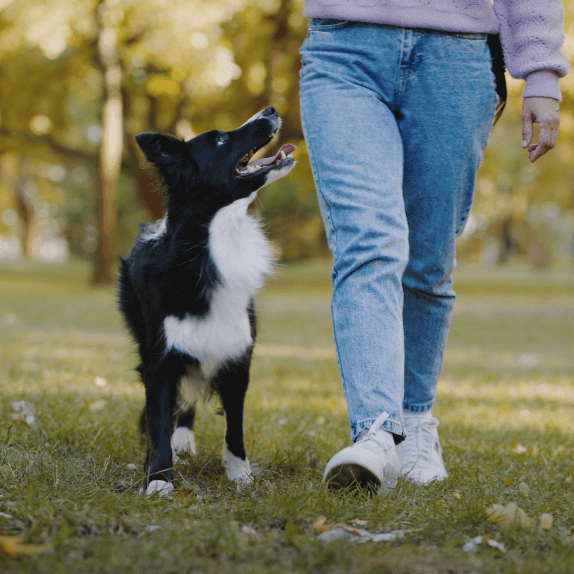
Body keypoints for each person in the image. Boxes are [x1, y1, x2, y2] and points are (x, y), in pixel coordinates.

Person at [298, 0, 569, 491]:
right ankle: (377, 432)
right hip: (344, 47)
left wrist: (542, 73)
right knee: (369, 242)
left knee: (428, 260)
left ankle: (415, 420)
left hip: (456, 56)